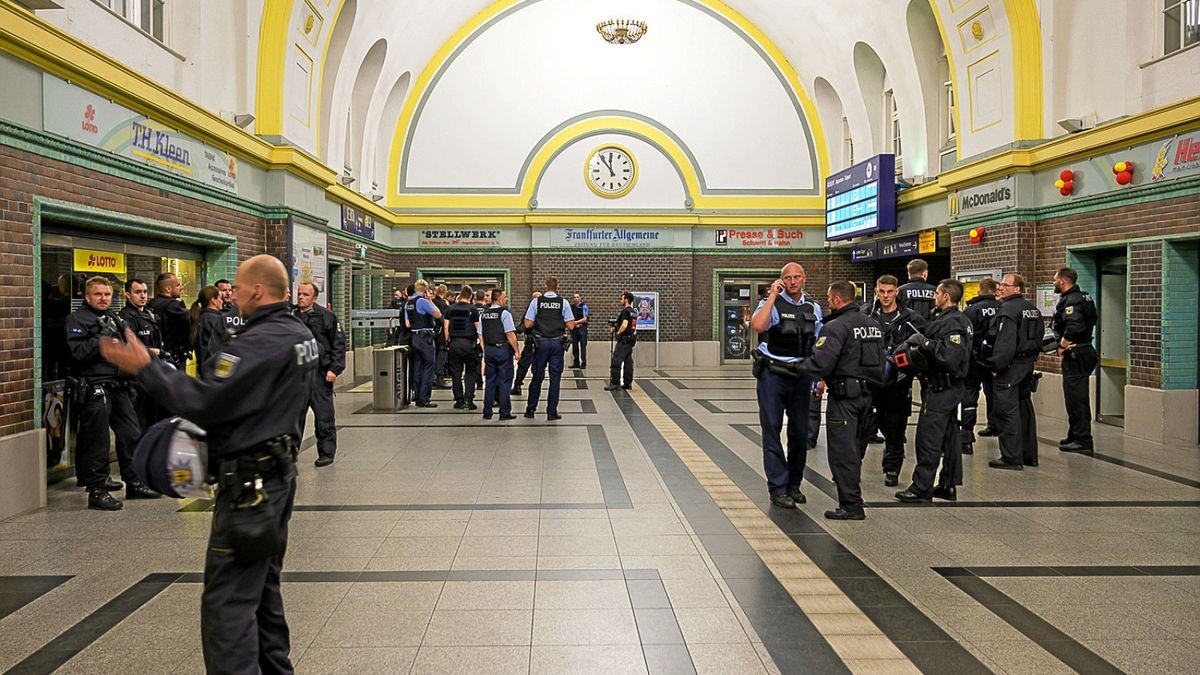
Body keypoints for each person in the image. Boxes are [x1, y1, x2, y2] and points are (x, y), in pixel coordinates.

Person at [100, 254, 317, 674]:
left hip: (249, 491)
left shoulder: (258, 343)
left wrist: (147, 368)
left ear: (257, 290)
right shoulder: (298, 332)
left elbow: (204, 401)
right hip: (277, 479)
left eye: (237, 286)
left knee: (227, 607)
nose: (232, 294)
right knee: (263, 593)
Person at [789, 281, 885, 520]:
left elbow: (820, 363)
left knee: (843, 453)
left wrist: (789, 367)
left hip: (845, 399)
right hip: (869, 398)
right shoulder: (873, 325)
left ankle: (851, 505)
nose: (828, 302)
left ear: (837, 300)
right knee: (855, 450)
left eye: (830, 299)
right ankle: (853, 497)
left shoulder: (835, 327)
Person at [66, 276, 161, 510]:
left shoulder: (114, 317)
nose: (103, 298)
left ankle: (134, 482)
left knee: (131, 433)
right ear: (87, 296)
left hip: (118, 385)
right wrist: (101, 338)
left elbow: (128, 348)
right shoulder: (77, 319)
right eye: (98, 294)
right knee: (97, 442)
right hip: (94, 387)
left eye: (107, 294)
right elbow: (77, 353)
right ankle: (97, 489)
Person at [748, 263, 823, 509]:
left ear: (804, 278)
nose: (792, 282)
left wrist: (819, 377)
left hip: (802, 374)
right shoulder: (772, 303)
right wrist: (771, 295)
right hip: (773, 374)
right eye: (787, 278)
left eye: (796, 277)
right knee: (772, 430)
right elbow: (758, 326)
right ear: (782, 280)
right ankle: (778, 488)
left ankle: (794, 484)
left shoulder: (813, 307)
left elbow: (819, 344)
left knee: (800, 433)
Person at [895, 280, 973, 502]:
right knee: (949, 438)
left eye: (937, 293)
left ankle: (921, 487)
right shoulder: (955, 319)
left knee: (928, 438)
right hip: (948, 387)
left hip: (942, 388)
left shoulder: (953, 323)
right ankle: (948, 484)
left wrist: (925, 343)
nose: (934, 297)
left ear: (946, 297)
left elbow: (950, 356)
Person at [860, 275, 925, 486]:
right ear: (876, 291)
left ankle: (892, 470)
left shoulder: (911, 318)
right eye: (882, 291)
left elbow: (922, 345)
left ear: (897, 291)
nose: (886, 296)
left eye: (890, 292)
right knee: (861, 428)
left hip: (898, 383)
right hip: (869, 380)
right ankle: (851, 469)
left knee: (895, 431)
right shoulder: (866, 314)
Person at [981, 273, 1044, 470]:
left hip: (1009, 367)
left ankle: (1011, 456)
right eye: (1000, 285)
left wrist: (996, 366)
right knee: (1024, 408)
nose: (1000, 288)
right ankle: (1028, 455)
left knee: (1006, 411)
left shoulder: (1007, 310)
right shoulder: (1032, 310)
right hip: (1026, 365)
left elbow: (1005, 343)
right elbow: (1039, 337)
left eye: (1005, 285)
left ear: (1017, 289)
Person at [294, 282, 346, 467]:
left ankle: (326, 452)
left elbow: (339, 344)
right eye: (299, 294)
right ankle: (290, 455)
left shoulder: (327, 317)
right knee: (292, 418)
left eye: (305, 295)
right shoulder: (290, 317)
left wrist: (334, 369)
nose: (301, 297)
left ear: (314, 298)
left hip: (320, 375)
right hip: (297, 376)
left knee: (324, 417)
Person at [1052, 267, 1098, 453]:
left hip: (1076, 353)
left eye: (1055, 280)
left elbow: (1074, 326)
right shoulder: (1084, 297)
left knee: (1077, 399)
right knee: (1074, 398)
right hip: (1085, 349)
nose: (1054, 283)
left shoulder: (1072, 301)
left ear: (1062, 281)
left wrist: (1062, 345)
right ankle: (1075, 434)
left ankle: (1083, 439)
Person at [522, 276, 577, 420]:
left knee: (537, 376)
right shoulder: (563, 302)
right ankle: (552, 411)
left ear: (545, 286)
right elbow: (571, 325)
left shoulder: (536, 302)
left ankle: (530, 409)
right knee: (555, 378)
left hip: (541, 344)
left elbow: (527, 324)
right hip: (557, 344)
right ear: (557, 287)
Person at [960, 278, 1000, 453]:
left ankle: (967, 436)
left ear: (979, 291)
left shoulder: (971, 311)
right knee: (994, 393)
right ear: (995, 291)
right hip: (997, 360)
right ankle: (995, 425)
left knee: (970, 396)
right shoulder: (1002, 309)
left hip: (974, 360)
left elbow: (965, 337)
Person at [119, 278, 165, 428]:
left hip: (153, 374)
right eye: (138, 292)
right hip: (136, 378)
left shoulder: (149, 314)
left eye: (145, 292)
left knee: (154, 420)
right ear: (127, 294)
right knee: (138, 423)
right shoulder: (126, 317)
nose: (143, 296)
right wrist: (156, 352)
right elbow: (131, 347)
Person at [478, 287, 520, 420]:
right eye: (504, 297)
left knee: (490, 381)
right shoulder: (504, 313)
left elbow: (481, 335)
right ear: (499, 298)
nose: (505, 299)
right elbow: (510, 334)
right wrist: (516, 350)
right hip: (502, 350)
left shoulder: (483, 314)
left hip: (489, 350)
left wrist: (486, 351)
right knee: (505, 381)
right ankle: (504, 412)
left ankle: (487, 412)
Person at [405, 279, 443, 408]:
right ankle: (425, 397)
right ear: (425, 290)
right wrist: (430, 300)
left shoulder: (408, 304)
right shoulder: (422, 301)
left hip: (414, 337)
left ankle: (417, 396)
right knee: (429, 366)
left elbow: (408, 324)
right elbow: (438, 314)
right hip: (425, 338)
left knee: (417, 366)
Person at [445, 287, 482, 410]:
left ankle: (459, 400)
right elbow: (478, 328)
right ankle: (469, 399)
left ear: (459, 295)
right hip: (469, 344)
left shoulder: (450, 309)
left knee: (456, 373)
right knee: (470, 372)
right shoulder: (473, 309)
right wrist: (479, 343)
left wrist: (447, 342)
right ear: (471, 296)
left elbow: (446, 327)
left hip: (454, 343)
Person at [147, 272, 192, 369]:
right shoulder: (173, 306)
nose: (180, 288)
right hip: (173, 356)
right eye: (178, 285)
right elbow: (191, 320)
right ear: (168, 289)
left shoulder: (151, 304)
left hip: (157, 356)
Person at [605, 292, 637, 391]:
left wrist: (618, 332)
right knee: (628, 361)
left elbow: (624, 324)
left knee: (616, 360)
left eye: (622, 298)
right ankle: (627, 383)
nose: (620, 300)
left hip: (624, 340)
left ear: (626, 300)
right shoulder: (633, 312)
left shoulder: (626, 312)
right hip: (631, 339)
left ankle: (615, 383)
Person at [510, 291, 540, 397]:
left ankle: (519, 384)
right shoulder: (532, 310)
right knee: (524, 364)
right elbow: (523, 324)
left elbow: (525, 324)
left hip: (535, 342)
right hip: (533, 342)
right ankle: (517, 384)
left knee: (527, 364)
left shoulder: (533, 311)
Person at [191, 285, 226, 377]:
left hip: (203, 367)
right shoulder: (214, 319)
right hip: (212, 368)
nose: (222, 301)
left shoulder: (202, 317)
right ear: (213, 300)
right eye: (219, 298)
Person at [433, 284, 451, 388]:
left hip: (432, 333)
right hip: (440, 334)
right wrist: (447, 336)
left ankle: (433, 378)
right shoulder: (443, 304)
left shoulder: (433, 302)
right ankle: (439, 378)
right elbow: (445, 321)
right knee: (441, 356)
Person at [569, 292, 590, 369]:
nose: (576, 298)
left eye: (577, 297)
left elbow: (585, 319)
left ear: (580, 298)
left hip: (582, 329)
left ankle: (583, 363)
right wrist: (574, 324)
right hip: (574, 329)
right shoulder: (571, 307)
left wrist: (576, 322)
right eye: (574, 297)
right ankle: (576, 362)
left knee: (582, 346)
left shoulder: (584, 306)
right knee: (574, 346)